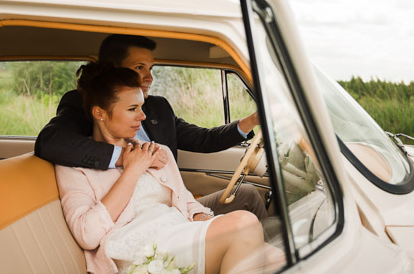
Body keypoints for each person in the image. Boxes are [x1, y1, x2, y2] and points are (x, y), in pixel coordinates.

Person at [56, 62, 273, 274]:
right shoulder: (72, 164)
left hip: (176, 233)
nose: (143, 116)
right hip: (136, 258)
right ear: (99, 113)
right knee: (244, 223)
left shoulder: (157, 152)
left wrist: (203, 219)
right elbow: (87, 234)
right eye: (132, 108)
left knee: (276, 259)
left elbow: (186, 201)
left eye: (142, 106)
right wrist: (132, 170)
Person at [36, 34, 267, 220]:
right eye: (139, 68)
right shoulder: (86, 103)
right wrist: (126, 158)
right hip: (131, 216)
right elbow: (51, 141)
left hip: (172, 206)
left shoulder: (158, 108)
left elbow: (203, 139)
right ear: (114, 71)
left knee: (248, 194)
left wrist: (252, 121)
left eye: (151, 68)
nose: (149, 77)